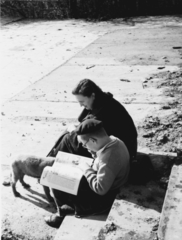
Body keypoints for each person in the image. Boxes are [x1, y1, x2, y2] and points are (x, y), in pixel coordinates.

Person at [45, 119, 130, 228]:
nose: (85, 147)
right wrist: (94, 154)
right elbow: (103, 161)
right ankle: (66, 207)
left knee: (56, 178)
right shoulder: (114, 140)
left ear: (93, 140)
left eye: (84, 145)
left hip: (104, 197)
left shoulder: (108, 158)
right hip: (109, 181)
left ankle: (62, 214)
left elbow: (100, 189)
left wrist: (86, 169)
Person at [47, 79, 137, 162]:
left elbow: (91, 134)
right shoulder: (102, 100)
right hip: (119, 147)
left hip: (122, 153)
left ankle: (51, 162)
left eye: (82, 102)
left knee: (68, 139)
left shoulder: (105, 111)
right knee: (68, 135)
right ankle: (52, 160)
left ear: (92, 95)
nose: (80, 105)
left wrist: (73, 131)